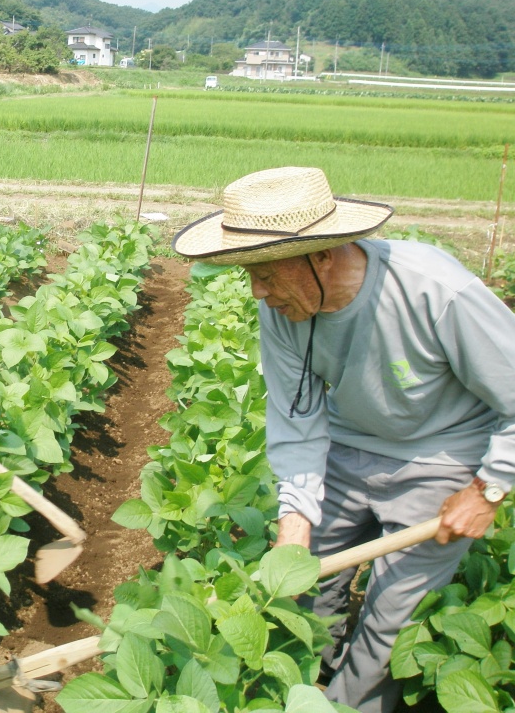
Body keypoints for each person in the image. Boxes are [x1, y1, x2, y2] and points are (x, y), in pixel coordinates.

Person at [172, 166, 515, 713]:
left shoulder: (434, 289)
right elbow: (296, 419)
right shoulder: (283, 309)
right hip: (347, 446)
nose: (258, 292)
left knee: (390, 624)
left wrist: (488, 490)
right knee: (303, 590)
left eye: (265, 272)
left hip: (442, 455)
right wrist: (294, 524)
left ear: (323, 255)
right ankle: (299, 688)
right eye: (248, 274)